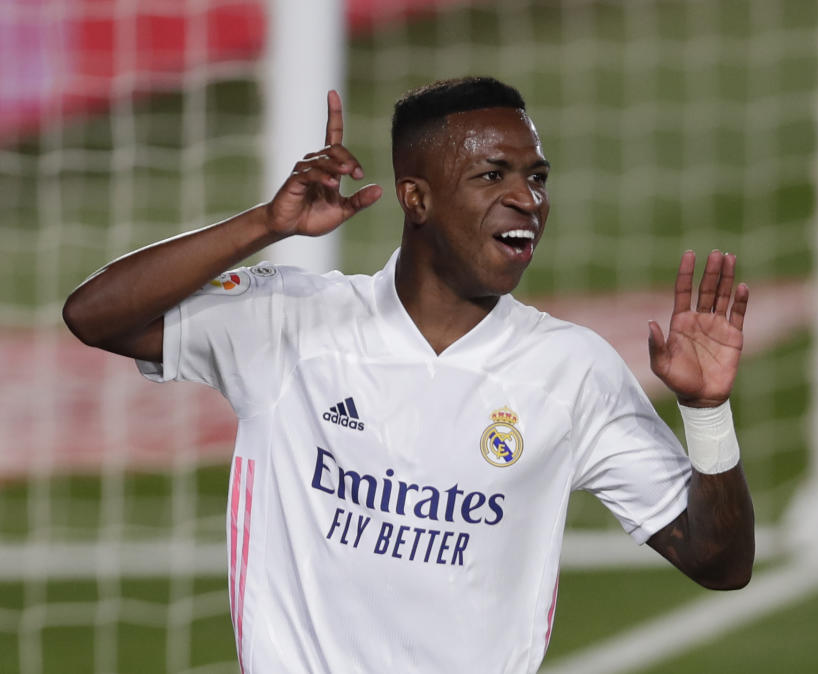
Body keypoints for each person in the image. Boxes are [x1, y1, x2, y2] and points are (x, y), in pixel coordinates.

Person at [63, 77, 754, 673]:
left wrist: (708, 413)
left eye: (536, 177)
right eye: (493, 176)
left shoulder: (570, 372)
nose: (527, 200)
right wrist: (264, 225)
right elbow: (95, 316)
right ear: (415, 199)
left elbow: (720, 563)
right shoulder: (294, 326)